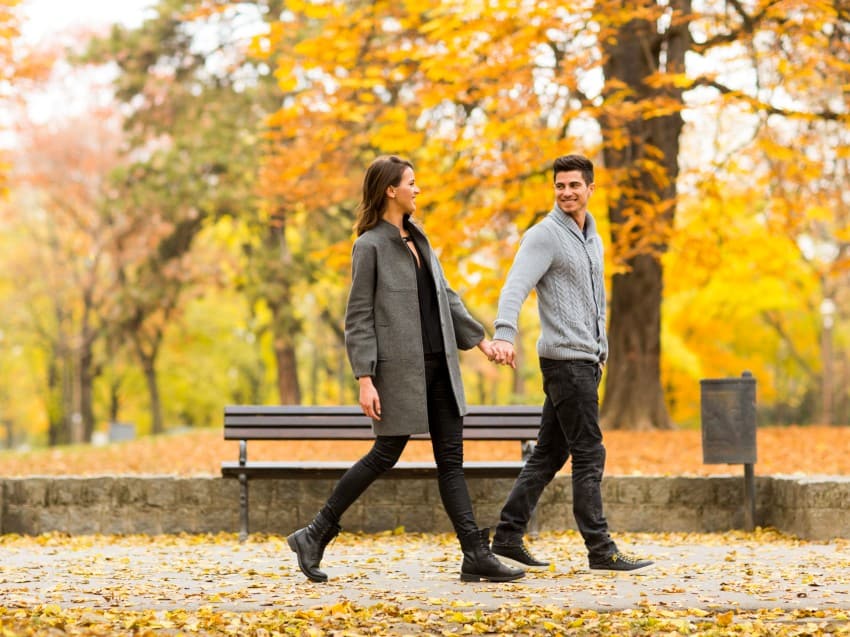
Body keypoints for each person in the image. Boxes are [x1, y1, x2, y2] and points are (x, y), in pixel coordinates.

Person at [287, 155, 524, 584]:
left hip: (441, 369)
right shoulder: (369, 246)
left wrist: (482, 341)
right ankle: (316, 532)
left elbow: (447, 297)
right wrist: (365, 378)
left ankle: (475, 554)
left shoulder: (420, 238)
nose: (418, 189)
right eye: (411, 183)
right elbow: (357, 317)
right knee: (384, 454)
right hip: (399, 374)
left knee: (451, 462)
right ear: (390, 191)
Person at [488, 154, 653, 572]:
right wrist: (505, 332)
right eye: (559, 186)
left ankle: (507, 535)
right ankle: (601, 549)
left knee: (547, 455)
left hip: (587, 361)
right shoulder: (543, 236)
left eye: (574, 185)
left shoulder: (593, 239)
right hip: (565, 363)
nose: (566, 192)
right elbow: (514, 287)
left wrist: (602, 349)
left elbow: (596, 302)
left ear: (590, 189)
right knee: (589, 453)